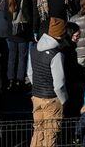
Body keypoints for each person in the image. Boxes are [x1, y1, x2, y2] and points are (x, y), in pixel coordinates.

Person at [27, 18, 68, 147]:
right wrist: (63, 99)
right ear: (61, 34)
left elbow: (30, 73)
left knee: (38, 132)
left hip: (37, 96)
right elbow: (59, 83)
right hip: (52, 99)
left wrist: (38, 86)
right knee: (51, 135)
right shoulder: (56, 54)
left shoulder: (33, 48)